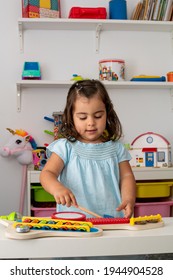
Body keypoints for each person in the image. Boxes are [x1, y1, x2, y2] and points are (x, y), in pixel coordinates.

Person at [40, 79, 136, 218]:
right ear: (71, 117)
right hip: (74, 221)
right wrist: (57, 188)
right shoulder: (65, 147)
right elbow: (47, 173)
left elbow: (127, 176)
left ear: (107, 114)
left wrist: (129, 198)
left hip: (112, 219)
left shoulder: (116, 149)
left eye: (98, 116)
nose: (91, 123)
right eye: (83, 117)